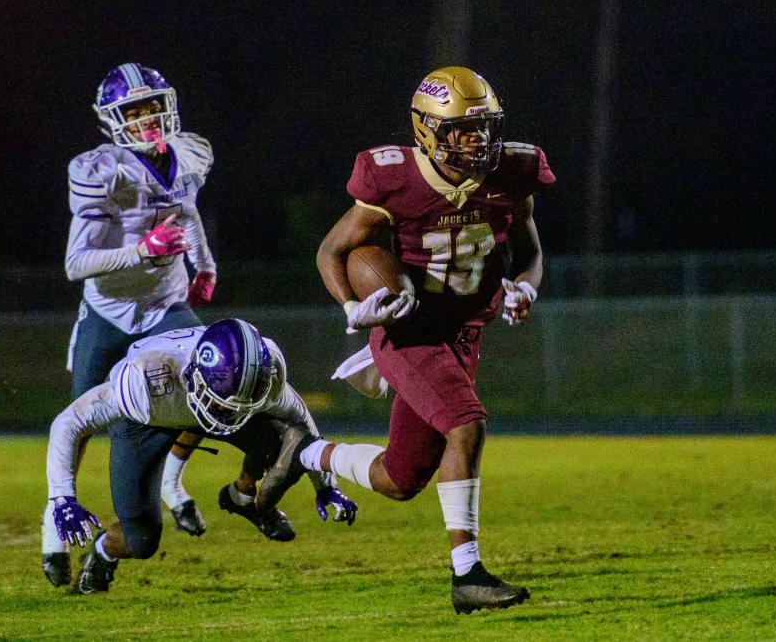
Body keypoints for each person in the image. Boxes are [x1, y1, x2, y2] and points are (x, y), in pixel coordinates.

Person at [266, 66, 554, 614]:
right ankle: (467, 576)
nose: (479, 143)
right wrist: (355, 308)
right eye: (463, 132)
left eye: (486, 129)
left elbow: (531, 253)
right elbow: (331, 252)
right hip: (409, 330)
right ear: (426, 131)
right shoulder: (392, 177)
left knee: (400, 478)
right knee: (467, 427)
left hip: (465, 334)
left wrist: (525, 289)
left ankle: (305, 452)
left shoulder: (513, 171)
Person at [42, 62, 219, 587]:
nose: (146, 120)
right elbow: (77, 264)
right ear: (112, 121)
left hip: (164, 305)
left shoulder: (188, 153)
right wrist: (142, 249)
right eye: (133, 112)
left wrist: (204, 264)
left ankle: (171, 482)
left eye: (151, 107)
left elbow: (186, 211)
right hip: (108, 312)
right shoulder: (102, 170)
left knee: (212, 386)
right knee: (81, 422)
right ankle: (54, 524)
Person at [45, 319, 358, 594]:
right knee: (141, 541)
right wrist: (61, 497)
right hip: (148, 421)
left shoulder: (264, 373)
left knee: (284, 444)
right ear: (194, 376)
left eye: (241, 406)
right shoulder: (144, 380)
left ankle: (242, 496)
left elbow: (300, 421)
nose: (229, 416)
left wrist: (325, 484)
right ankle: (102, 552)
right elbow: (69, 421)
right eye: (223, 405)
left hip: (191, 400)